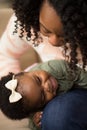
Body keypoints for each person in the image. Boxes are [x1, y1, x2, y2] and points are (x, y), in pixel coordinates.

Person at [0, 0, 87, 129]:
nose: (53, 41)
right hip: (66, 101)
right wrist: (26, 97)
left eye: (66, 36)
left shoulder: (55, 69)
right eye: (46, 31)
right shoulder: (25, 24)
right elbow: (5, 55)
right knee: (56, 117)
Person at [0, 59, 87, 130]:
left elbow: (82, 77)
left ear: (26, 72)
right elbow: (33, 122)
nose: (47, 86)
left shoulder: (54, 67)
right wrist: (35, 122)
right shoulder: (32, 106)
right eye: (43, 95)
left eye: (38, 80)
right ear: (36, 108)